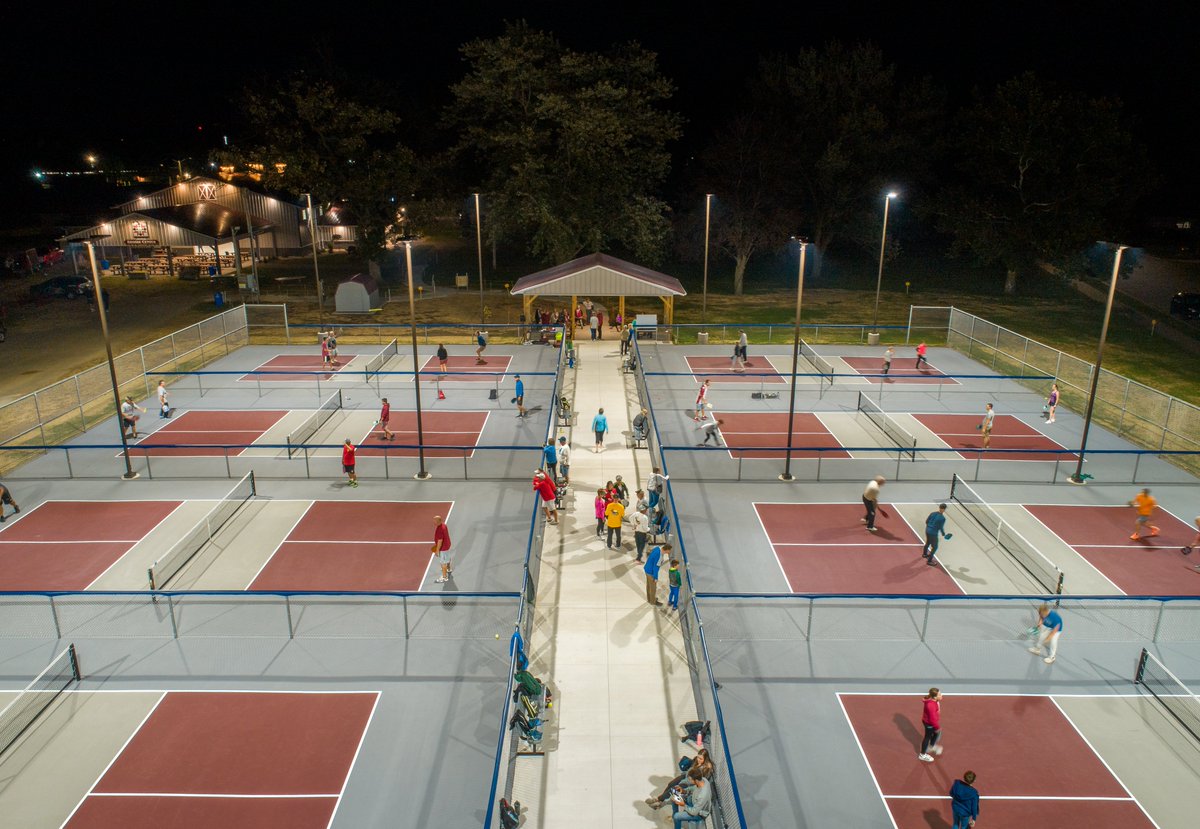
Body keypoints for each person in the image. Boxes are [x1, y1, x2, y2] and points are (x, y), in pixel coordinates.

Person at [646, 749, 712, 809]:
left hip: (691, 782)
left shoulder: (706, 769)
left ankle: (658, 800)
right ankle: (660, 800)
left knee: (674, 789)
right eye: (698, 757)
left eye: (701, 759)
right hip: (686, 776)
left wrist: (686, 781)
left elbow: (699, 781)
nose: (698, 760)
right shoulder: (696, 761)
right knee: (671, 784)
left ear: (705, 759)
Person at [917, 687, 943, 762]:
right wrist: (937, 727)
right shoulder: (931, 705)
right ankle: (922, 755)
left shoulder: (935, 700)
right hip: (930, 723)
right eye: (940, 694)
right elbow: (932, 719)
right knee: (927, 737)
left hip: (931, 722)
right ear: (935, 697)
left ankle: (931, 746)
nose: (941, 695)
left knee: (935, 734)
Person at [432, 515, 452, 583]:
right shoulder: (444, 525)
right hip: (447, 545)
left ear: (439, 521)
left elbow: (440, 541)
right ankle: (449, 569)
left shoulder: (440, 529)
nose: (433, 522)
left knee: (443, 563)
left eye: (435, 521)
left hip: (443, 548)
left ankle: (444, 577)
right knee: (448, 558)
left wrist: (437, 550)